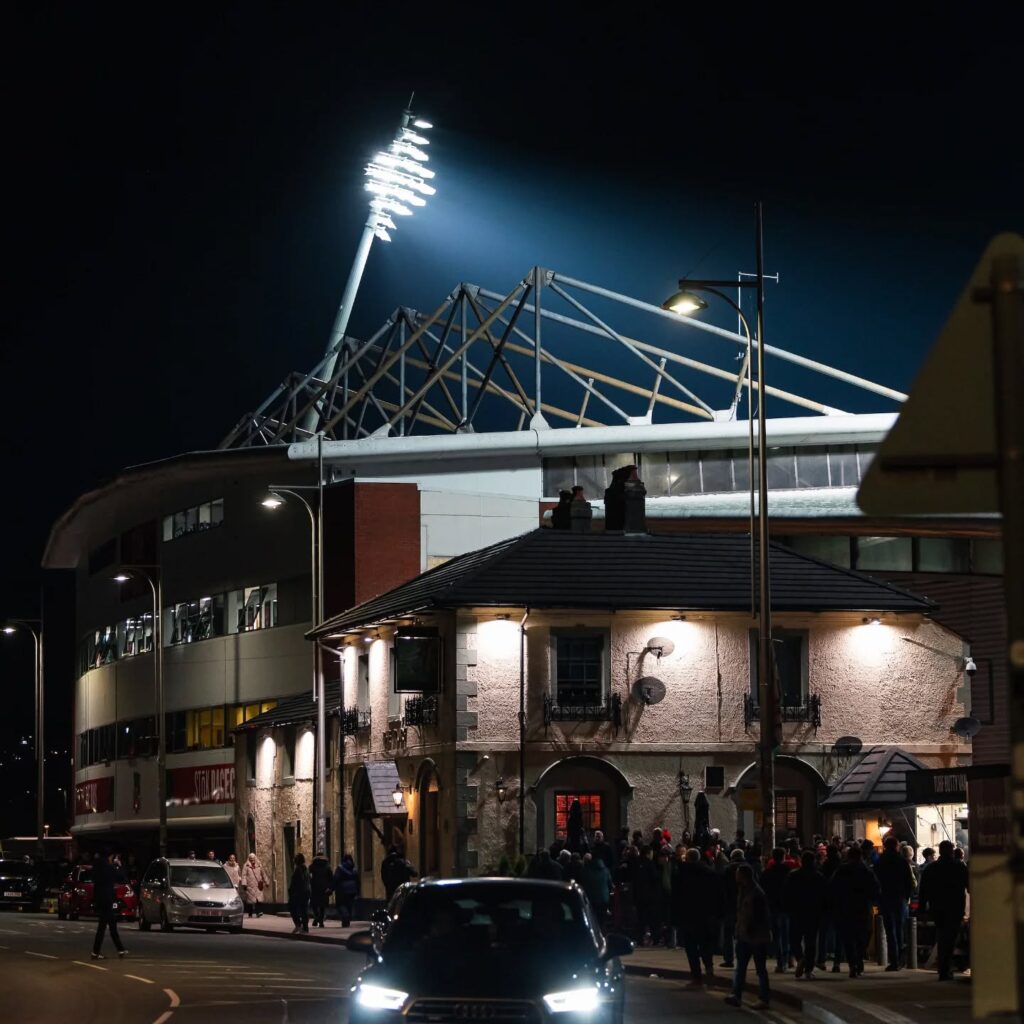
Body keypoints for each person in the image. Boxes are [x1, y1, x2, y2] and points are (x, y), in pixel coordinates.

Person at [672, 848, 723, 988]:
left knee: (691, 948)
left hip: (689, 916)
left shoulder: (682, 874)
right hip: (706, 916)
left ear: (687, 858)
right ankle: (709, 971)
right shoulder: (710, 873)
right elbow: (717, 895)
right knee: (706, 945)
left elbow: (676, 897)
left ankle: (697, 977)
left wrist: (675, 917)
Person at [918, 840, 969, 981]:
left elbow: (923, 891)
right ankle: (946, 968)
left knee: (941, 936)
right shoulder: (959, 867)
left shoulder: (930, 868)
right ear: (951, 851)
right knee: (951, 938)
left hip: (937, 907)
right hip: (955, 907)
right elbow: (970, 886)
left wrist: (922, 909)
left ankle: (943, 968)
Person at [724, 864, 770, 1010]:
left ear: (744, 875)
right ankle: (736, 995)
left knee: (760, 969)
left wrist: (751, 929)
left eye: (738, 873)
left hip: (756, 937)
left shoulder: (756, 893)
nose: (735, 876)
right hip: (744, 935)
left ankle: (764, 998)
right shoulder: (743, 890)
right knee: (741, 967)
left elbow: (760, 916)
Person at [829, 845, 879, 977]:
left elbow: (833, 888)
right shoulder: (866, 870)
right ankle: (858, 961)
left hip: (845, 908)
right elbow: (875, 888)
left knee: (849, 938)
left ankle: (853, 964)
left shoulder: (842, 870)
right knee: (862, 936)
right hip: (863, 907)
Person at [875, 834, 915, 970]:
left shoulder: (881, 861)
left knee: (890, 930)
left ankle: (894, 960)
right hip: (900, 899)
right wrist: (907, 896)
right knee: (900, 929)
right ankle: (900, 959)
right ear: (896, 846)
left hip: (886, 898)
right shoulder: (902, 861)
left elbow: (876, 881)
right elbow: (909, 882)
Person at [784, 850, 826, 979]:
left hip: (796, 912)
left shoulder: (793, 876)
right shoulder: (818, 877)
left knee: (794, 939)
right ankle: (808, 969)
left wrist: (788, 908)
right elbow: (824, 896)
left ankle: (800, 957)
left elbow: (786, 894)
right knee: (811, 942)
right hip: (813, 913)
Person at [90, 850, 127, 960]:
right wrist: (119, 866)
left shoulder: (97, 867)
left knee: (111, 924)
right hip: (108, 898)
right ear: (110, 857)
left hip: (99, 898)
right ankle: (96, 952)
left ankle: (120, 949)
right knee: (104, 926)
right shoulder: (109, 868)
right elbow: (121, 878)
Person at [760, 847, 792, 972]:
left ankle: (780, 962)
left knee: (777, 936)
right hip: (786, 907)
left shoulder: (767, 873)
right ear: (784, 857)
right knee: (786, 935)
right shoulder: (788, 872)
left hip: (773, 907)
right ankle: (787, 958)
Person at [720, 849, 745, 968]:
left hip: (730, 905)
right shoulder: (748, 868)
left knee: (729, 933)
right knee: (743, 933)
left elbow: (723, 888)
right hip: (745, 905)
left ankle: (729, 958)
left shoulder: (728, 869)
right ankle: (743, 957)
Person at [580, 853, 612, 925]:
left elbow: (583, 884)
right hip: (604, 898)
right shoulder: (605, 870)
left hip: (592, 899)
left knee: (594, 919)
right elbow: (610, 884)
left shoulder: (586, 871)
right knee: (602, 919)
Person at [309, 850, 333, 928]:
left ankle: (317, 918)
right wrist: (329, 887)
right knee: (322, 906)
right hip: (324, 888)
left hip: (315, 888)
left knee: (314, 905)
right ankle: (321, 921)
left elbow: (309, 876)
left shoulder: (312, 866)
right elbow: (331, 878)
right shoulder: (327, 866)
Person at [289, 852, 310, 933]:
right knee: (304, 909)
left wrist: (291, 890)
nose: (294, 860)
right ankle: (305, 927)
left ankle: (298, 925)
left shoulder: (298, 869)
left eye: (295, 859)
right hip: (306, 891)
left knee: (293, 908)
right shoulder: (306, 869)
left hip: (299, 892)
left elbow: (297, 882)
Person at [333, 854, 358, 926]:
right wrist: (357, 891)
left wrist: (332, 888)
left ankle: (345, 917)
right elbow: (357, 881)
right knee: (349, 905)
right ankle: (347, 920)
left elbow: (336, 879)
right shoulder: (354, 869)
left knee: (340, 905)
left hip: (342, 890)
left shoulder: (340, 868)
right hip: (352, 890)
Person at [241, 852, 267, 917]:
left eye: (253, 858)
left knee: (259, 899)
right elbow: (243, 875)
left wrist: (266, 881)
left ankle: (258, 912)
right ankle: (250, 913)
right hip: (250, 885)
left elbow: (263, 873)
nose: (252, 859)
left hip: (258, 884)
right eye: (251, 858)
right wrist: (244, 883)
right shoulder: (246, 865)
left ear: (255, 858)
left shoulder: (259, 864)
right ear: (249, 859)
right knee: (251, 900)